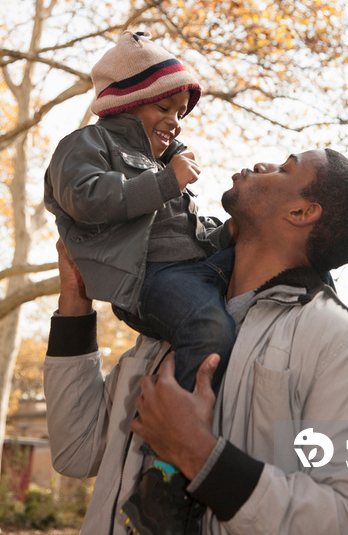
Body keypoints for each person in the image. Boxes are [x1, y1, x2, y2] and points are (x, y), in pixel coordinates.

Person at [44, 148, 348, 535]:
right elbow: (77, 451)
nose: (261, 164)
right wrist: (75, 301)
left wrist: (199, 455)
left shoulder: (343, 345)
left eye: (284, 169)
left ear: (302, 213)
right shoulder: (176, 319)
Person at [44, 29, 237, 398]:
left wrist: (231, 233)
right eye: (163, 108)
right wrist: (167, 182)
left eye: (181, 113)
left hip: (196, 264)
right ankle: (165, 447)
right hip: (150, 276)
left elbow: (185, 231)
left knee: (289, 253)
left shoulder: (160, 164)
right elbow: (86, 199)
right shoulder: (86, 143)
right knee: (210, 329)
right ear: (124, 103)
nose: (175, 121)